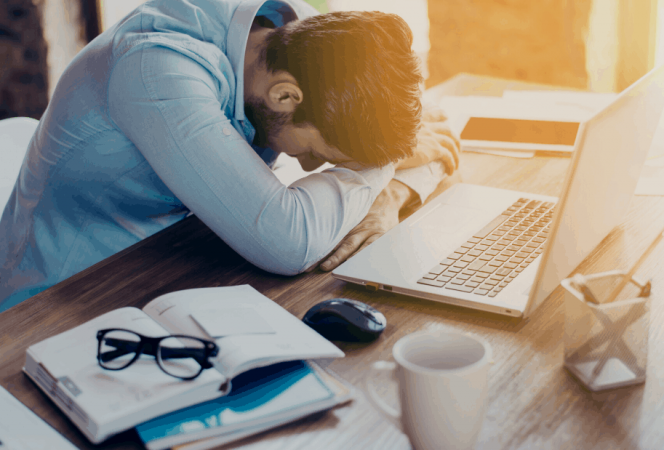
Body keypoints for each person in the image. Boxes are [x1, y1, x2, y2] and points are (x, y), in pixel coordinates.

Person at [0, 0, 460, 313]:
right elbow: (286, 241)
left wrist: (392, 187)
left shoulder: (298, 41)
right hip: (60, 305)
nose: (310, 169)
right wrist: (377, 170)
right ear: (284, 96)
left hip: (180, 263)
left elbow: (435, 130)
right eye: (320, 153)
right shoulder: (158, 70)